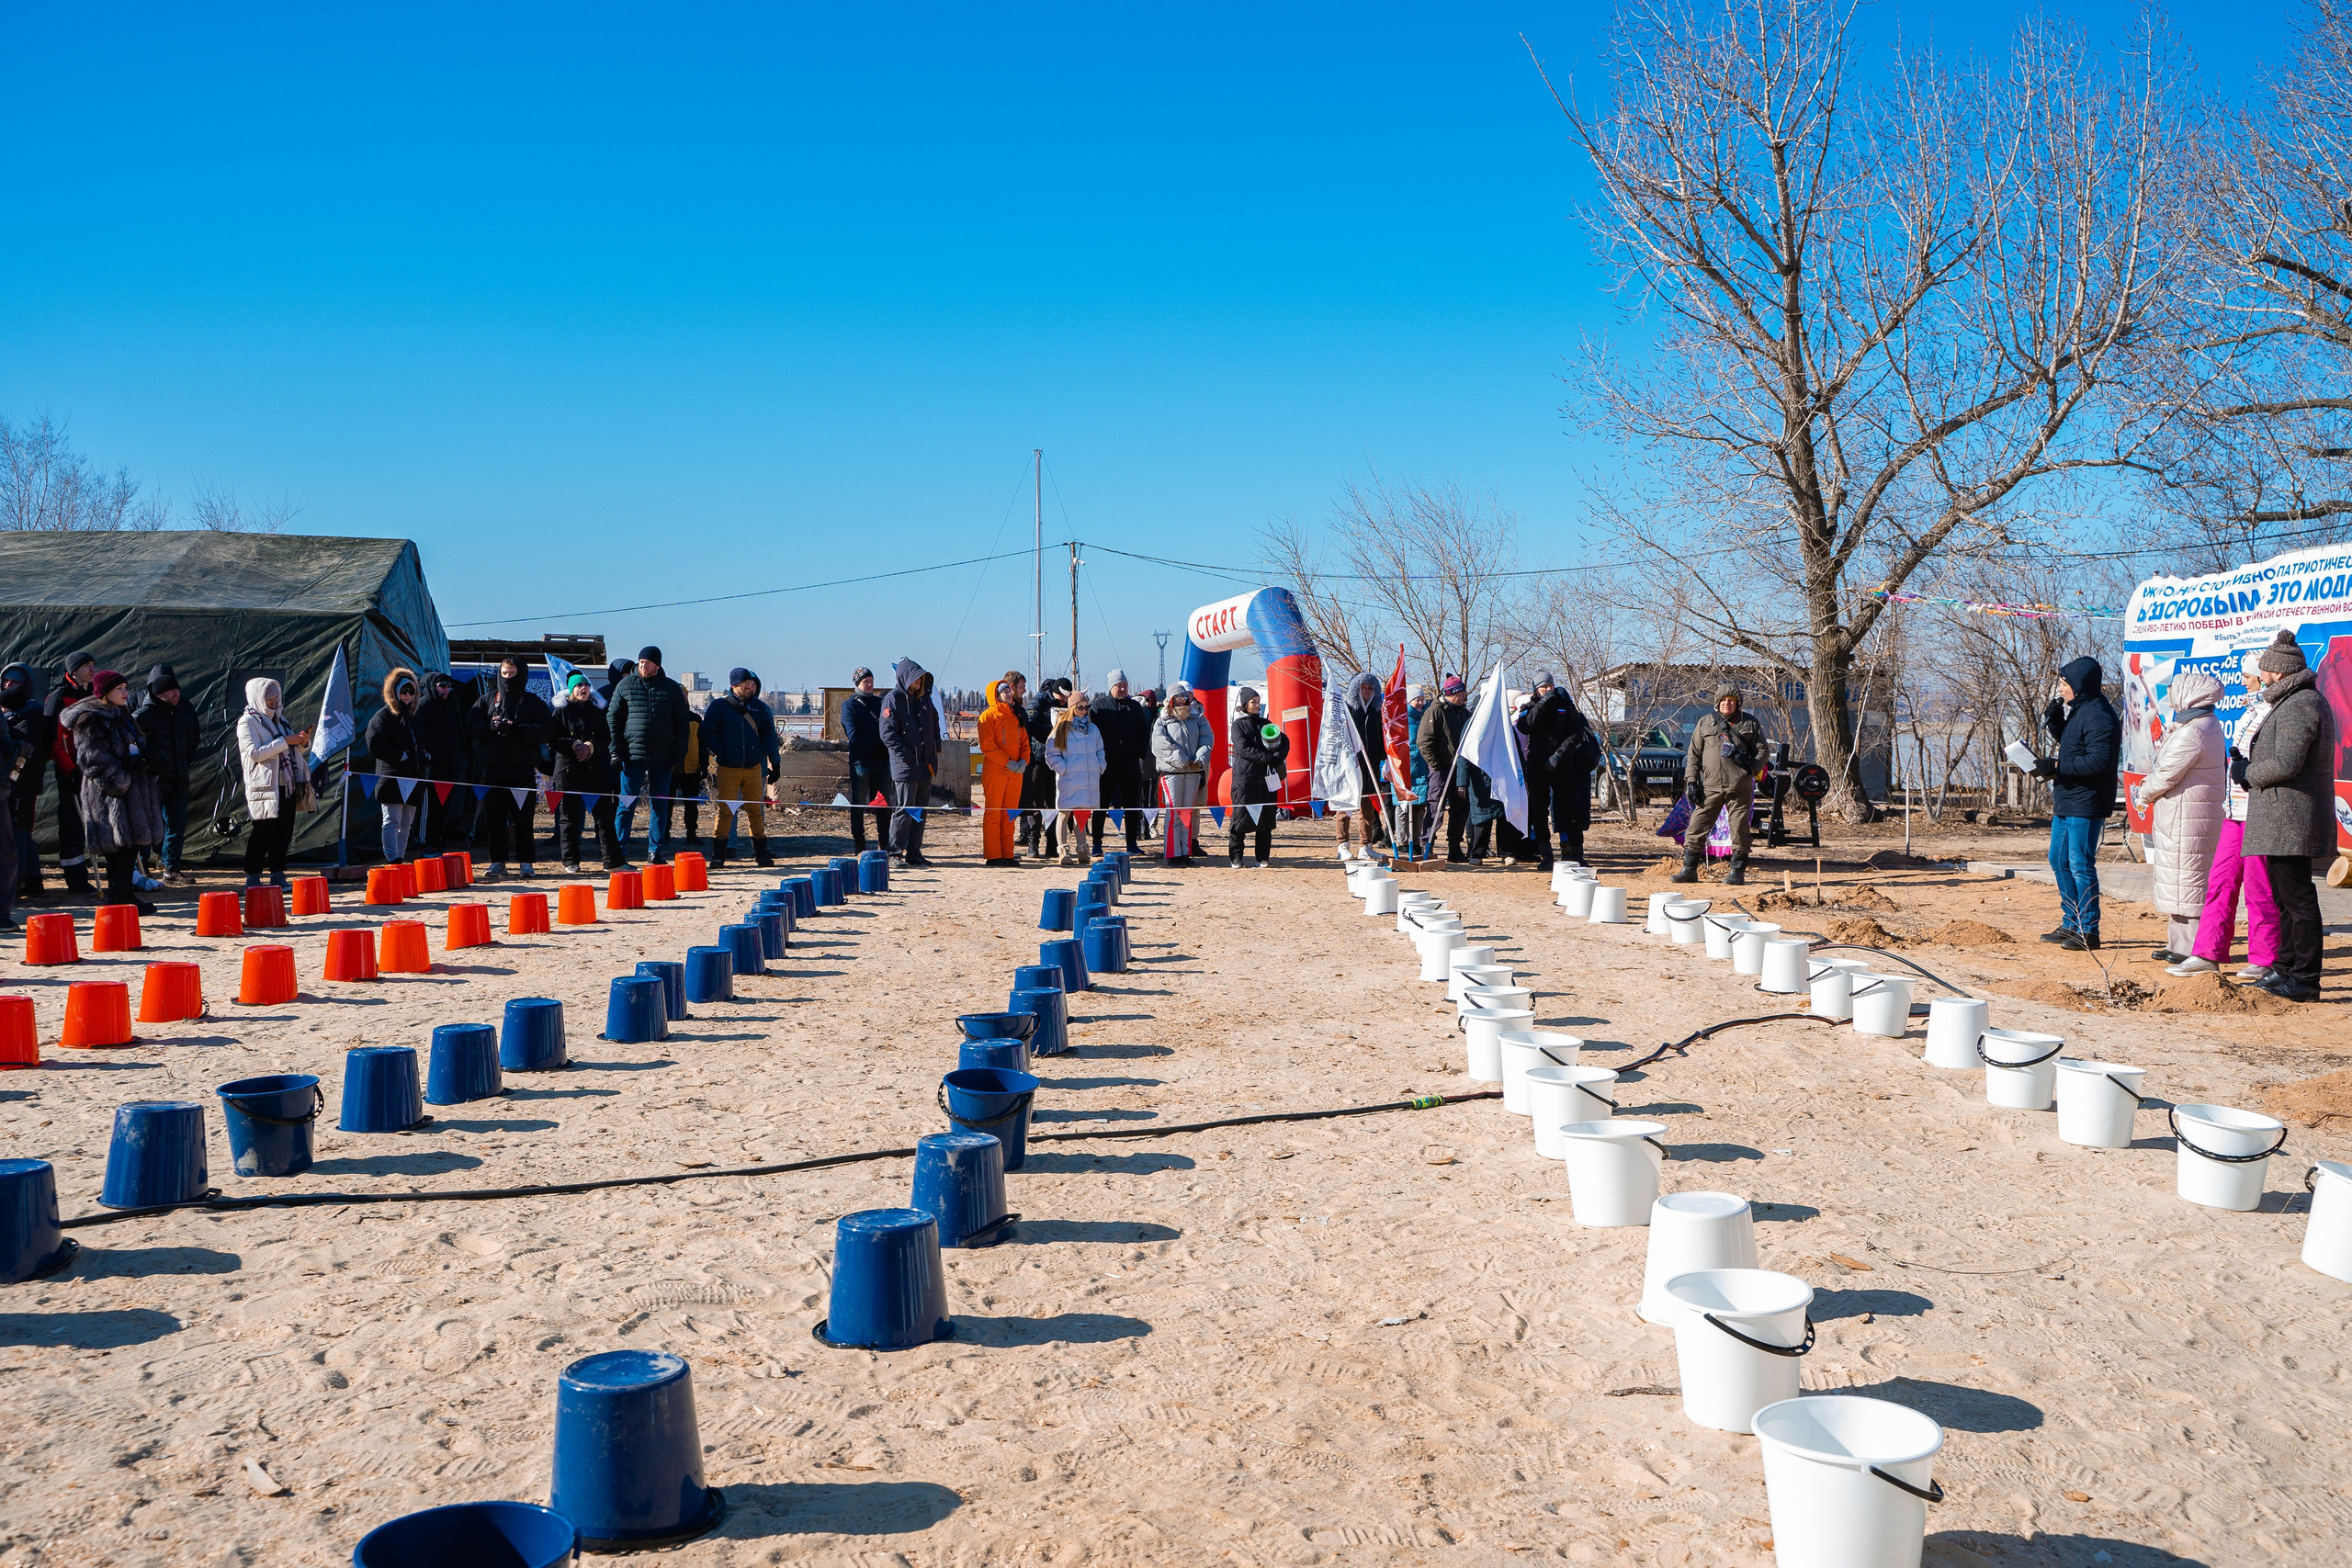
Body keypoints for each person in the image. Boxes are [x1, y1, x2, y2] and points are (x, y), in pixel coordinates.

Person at [2240, 628, 2340, 1001]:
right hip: (2283, 816)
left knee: (2298, 899)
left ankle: (2305, 979)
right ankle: (2284, 968)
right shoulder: (2293, 700)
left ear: (2279, 672)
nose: (2260, 676)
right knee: (2284, 899)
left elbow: (2287, 762)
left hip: (2291, 817)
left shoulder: (2300, 703)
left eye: (2264, 670)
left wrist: (2247, 773)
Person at [2185, 651, 2284, 981]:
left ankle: (2265, 958)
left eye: (2248, 677)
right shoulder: (2248, 713)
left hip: (2259, 812)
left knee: (2259, 888)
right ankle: (2206, 953)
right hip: (2235, 812)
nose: (2243, 682)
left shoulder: (2273, 713)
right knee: (2220, 881)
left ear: (2263, 678)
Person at [2029, 657, 2122, 950]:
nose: (2060, 688)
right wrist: (2057, 722)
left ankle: (2089, 930)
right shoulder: (2081, 709)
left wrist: (2057, 766)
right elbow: (2075, 746)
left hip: (2087, 801)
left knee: (2080, 864)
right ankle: (2071, 922)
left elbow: (2099, 761)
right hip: (2068, 799)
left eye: (2064, 683)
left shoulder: (2099, 714)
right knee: (2059, 860)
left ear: (2079, 685)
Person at [2136, 670, 2226, 969]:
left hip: (2187, 816)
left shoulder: (2194, 731)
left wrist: (2143, 793)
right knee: (2180, 879)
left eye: (2175, 693)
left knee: (2188, 880)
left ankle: (2190, 946)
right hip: (2185, 814)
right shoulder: (2202, 725)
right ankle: (2176, 942)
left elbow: (2166, 774)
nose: (2170, 699)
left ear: (2190, 696)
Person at [63, 671, 165, 914]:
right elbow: (92, 760)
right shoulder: (91, 719)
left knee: (129, 848)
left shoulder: (123, 714)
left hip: (132, 793)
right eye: (119, 688)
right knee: (117, 848)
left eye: (125, 687)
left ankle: (125, 896)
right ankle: (118, 898)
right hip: (111, 797)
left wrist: (147, 763)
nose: (125, 692)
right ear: (105, 692)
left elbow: (134, 746)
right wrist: (121, 781)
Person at [1671, 683, 1768, 886]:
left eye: (1731, 700)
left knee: (1740, 830)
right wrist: (1691, 782)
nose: (1727, 703)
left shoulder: (1750, 723)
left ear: (1738, 703)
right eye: (1723, 700)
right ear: (1717, 702)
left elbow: (1763, 750)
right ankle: (1689, 870)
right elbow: (1694, 754)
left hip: (1739, 787)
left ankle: (1737, 873)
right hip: (1710, 787)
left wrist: (1751, 766)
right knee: (1696, 827)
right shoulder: (1706, 722)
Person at [469, 656, 553, 877]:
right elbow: (471, 725)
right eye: (505, 674)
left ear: (521, 675)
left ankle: (526, 862)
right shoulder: (487, 700)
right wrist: (490, 725)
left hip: (522, 772)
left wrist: (518, 729)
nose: (508, 678)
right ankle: (497, 862)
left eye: (513, 674)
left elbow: (546, 730)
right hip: (492, 771)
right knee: (494, 820)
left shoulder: (533, 702)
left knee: (523, 820)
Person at [608, 647, 692, 865]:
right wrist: (615, 750)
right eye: (641, 662)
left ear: (657, 665)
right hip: (632, 755)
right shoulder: (626, 685)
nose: (643, 666)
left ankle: (655, 851)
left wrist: (680, 754)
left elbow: (682, 724)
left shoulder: (671, 688)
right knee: (626, 804)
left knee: (660, 805)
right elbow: (613, 718)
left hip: (663, 757)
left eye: (647, 662)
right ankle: (618, 851)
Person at [235, 677, 311, 888]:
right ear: (257, 697)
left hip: (286, 783)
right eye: (268, 698)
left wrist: (302, 742)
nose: (273, 702)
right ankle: (253, 877)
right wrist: (284, 741)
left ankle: (278, 874)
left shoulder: (280, 719)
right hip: (264, 785)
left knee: (284, 831)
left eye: (276, 698)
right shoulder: (247, 722)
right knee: (263, 831)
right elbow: (255, 753)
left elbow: (289, 750)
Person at [1517, 672, 1598, 869]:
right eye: (1544, 687)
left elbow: (1577, 732)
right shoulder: (1529, 707)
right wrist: (1543, 703)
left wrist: (1559, 755)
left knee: (1571, 809)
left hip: (1562, 764)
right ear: (1536, 689)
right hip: (1537, 765)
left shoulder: (1565, 705)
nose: (1549, 689)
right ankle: (1546, 856)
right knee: (1539, 811)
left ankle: (1576, 854)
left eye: (1551, 686)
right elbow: (1524, 727)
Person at [704, 668, 780, 868]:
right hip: (728, 768)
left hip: (754, 767)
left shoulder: (760, 708)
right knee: (726, 811)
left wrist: (770, 757)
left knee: (756, 811)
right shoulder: (719, 706)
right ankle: (719, 854)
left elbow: (769, 734)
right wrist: (721, 752)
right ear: (734, 685)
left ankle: (761, 853)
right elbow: (706, 732)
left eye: (751, 683)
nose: (749, 687)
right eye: (745, 683)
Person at [134, 664, 202, 886]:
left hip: (178, 778)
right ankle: (141, 871)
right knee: (147, 826)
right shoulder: (142, 716)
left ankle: (171, 869)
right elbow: (133, 746)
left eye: (177, 689)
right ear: (159, 693)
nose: (176, 694)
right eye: (171, 690)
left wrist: (183, 762)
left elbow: (193, 739)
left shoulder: (184, 710)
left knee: (176, 825)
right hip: (153, 781)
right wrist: (149, 768)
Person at [548, 672, 624, 873]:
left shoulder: (597, 710)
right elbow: (552, 739)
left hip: (593, 768)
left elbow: (605, 738)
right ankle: (570, 860)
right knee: (569, 817)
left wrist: (590, 747)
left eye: (586, 685)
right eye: (579, 686)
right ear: (571, 690)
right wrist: (574, 745)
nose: (583, 689)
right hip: (567, 769)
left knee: (604, 816)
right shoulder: (561, 711)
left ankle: (612, 860)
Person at [43, 650, 98, 894]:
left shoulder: (95, 694)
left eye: (93, 664)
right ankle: (76, 878)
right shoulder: (59, 696)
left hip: (96, 768)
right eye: (86, 666)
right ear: (73, 670)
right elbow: (52, 739)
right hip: (72, 769)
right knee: (72, 824)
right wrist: (69, 770)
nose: (92, 669)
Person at [879, 657, 942, 866]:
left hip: (926, 764)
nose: (919, 681)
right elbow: (888, 734)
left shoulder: (925, 699)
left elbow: (934, 722)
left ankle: (914, 852)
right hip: (905, 767)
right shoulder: (893, 699)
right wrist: (907, 756)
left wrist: (936, 747)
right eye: (915, 678)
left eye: (921, 678)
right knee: (905, 810)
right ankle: (894, 853)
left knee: (920, 811)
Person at [366, 667, 428, 864]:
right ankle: (393, 858)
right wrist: (399, 756)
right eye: (403, 691)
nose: (408, 695)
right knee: (392, 821)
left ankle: (400, 856)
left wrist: (425, 755)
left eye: (411, 691)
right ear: (394, 691)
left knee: (407, 823)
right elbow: (374, 744)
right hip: (392, 778)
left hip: (414, 777)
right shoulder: (383, 716)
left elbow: (425, 741)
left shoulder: (415, 716)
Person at [1151, 682, 1213, 864]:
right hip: (1172, 773)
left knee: (1187, 814)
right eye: (1178, 696)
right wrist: (1183, 760)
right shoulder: (1162, 720)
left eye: (1184, 696)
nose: (1182, 699)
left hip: (1193, 772)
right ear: (1171, 699)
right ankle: (1172, 854)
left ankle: (1185, 852)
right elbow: (1160, 746)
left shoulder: (1197, 717)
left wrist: (1199, 759)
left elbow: (1207, 738)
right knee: (1174, 815)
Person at [1044, 688, 1106, 867]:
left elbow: (1100, 750)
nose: (1084, 711)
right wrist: (1064, 769)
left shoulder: (1093, 729)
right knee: (1064, 813)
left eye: (1086, 707)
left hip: (1088, 779)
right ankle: (1063, 850)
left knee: (1083, 814)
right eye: (1080, 707)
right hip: (1069, 779)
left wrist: (1099, 765)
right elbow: (1052, 754)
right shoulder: (1061, 728)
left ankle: (1082, 848)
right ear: (1072, 708)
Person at [413, 670, 474, 851]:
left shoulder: (450, 707)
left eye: (448, 686)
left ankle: (437, 839)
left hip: (449, 767)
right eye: (442, 686)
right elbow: (418, 736)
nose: (446, 689)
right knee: (429, 807)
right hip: (431, 769)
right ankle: (424, 841)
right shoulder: (423, 706)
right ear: (433, 686)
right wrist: (426, 756)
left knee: (443, 806)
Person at [1091, 669, 1149, 857]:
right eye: (1119, 685)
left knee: (1132, 805)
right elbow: (1092, 735)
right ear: (1111, 687)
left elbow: (1144, 732)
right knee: (1101, 806)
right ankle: (1097, 843)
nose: (1123, 689)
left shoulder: (1135, 707)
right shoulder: (1098, 707)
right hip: (1105, 765)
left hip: (1129, 764)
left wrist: (1138, 753)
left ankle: (1132, 843)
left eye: (1125, 685)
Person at [1418, 676, 1476, 863]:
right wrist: (1436, 765)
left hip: (1461, 768)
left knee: (1461, 807)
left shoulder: (1465, 714)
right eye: (1461, 693)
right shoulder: (1435, 711)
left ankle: (1455, 847)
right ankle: (1427, 844)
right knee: (1436, 805)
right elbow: (1424, 741)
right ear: (1451, 694)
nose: (1464, 696)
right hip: (1441, 768)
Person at [1334, 671, 1391, 858]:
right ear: (1356, 689)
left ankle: (1365, 846)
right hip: (1350, 764)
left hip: (1371, 765)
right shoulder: (1347, 711)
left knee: (1368, 808)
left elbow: (1382, 736)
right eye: (1363, 687)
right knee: (1345, 806)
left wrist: (1384, 755)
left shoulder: (1377, 711)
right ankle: (1342, 844)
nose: (1366, 691)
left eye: (1369, 688)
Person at [978, 672, 1031, 867]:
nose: (1009, 694)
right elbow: (987, 746)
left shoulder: (1016, 715)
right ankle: (993, 855)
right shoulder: (987, 716)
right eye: (1004, 692)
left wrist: (1023, 762)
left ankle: (1008, 853)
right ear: (995, 695)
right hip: (996, 770)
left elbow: (1025, 742)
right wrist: (1007, 762)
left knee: (1010, 813)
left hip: (1015, 772)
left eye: (1009, 691)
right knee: (994, 813)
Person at [839, 667, 893, 854]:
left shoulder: (881, 703)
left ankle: (884, 843)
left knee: (884, 803)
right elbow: (853, 734)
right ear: (857, 684)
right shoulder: (849, 705)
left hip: (882, 762)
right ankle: (859, 843)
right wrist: (877, 745)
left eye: (871, 681)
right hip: (861, 762)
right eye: (865, 682)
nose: (869, 685)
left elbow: (890, 727)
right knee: (859, 803)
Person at [1, 664, 42, 903]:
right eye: (6, 680)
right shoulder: (14, 716)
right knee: (22, 833)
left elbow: (28, 754)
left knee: (18, 833)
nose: (9, 685)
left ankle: (15, 884)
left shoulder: (30, 714)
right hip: (13, 783)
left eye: (15, 681)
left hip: (22, 783)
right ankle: (33, 880)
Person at [1019, 677, 1069, 860]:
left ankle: (1052, 844)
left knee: (1054, 803)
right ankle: (1033, 842)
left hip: (1059, 759)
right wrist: (1055, 731)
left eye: (1067, 697)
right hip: (1039, 759)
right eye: (1062, 696)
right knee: (1036, 803)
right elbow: (1031, 726)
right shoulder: (1038, 702)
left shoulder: (1067, 703)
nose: (1064, 700)